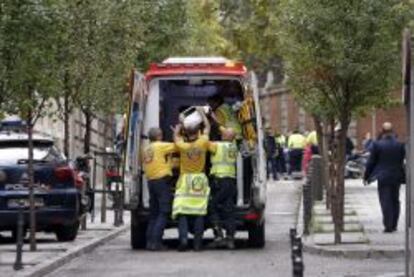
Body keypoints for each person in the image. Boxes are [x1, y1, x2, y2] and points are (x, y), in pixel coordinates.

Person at [172, 108, 211, 251]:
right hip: (200, 180)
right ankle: (197, 244)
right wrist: (201, 113)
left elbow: (176, 135)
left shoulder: (182, 146)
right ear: (198, 131)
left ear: (186, 133)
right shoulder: (203, 143)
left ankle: (183, 240)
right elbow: (207, 127)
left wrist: (181, 125)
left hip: (185, 180)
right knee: (200, 211)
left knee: (182, 211)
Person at [363, 122, 405, 233]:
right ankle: (394, 224)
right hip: (396, 175)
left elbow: (371, 162)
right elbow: (402, 160)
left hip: (383, 176)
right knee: (395, 200)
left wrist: (366, 176)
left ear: (382, 130)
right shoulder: (400, 144)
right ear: (392, 130)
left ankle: (388, 225)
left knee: (385, 200)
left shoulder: (377, 144)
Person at [142, 128, 176, 250]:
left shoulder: (147, 148)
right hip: (161, 181)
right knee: (164, 211)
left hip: (151, 181)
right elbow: (177, 146)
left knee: (154, 213)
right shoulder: (160, 146)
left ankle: (150, 242)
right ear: (159, 136)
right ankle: (156, 242)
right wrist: (176, 133)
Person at [208, 127, 238, 249]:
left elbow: (204, 142)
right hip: (231, 181)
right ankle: (230, 239)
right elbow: (228, 133)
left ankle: (218, 236)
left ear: (224, 136)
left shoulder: (217, 146)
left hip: (219, 181)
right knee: (229, 210)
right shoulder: (234, 146)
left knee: (211, 207)